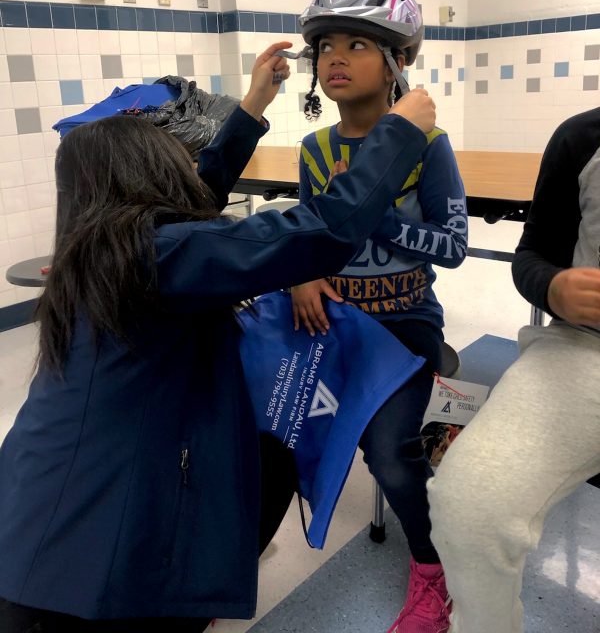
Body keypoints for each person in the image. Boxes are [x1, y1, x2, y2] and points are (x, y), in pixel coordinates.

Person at [0, 41, 437, 632]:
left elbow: (191, 203)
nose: (192, 170)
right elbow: (320, 232)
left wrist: (255, 106)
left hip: (27, 513)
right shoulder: (163, 255)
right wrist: (399, 135)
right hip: (79, 576)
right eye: (181, 159)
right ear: (150, 169)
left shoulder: (102, 246)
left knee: (266, 460)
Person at [290, 0, 468, 633]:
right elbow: (307, 238)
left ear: (400, 61)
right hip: (336, 326)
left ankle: (431, 572)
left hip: (405, 328)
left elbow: (451, 247)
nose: (336, 56)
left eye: (359, 44)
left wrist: (377, 218)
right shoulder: (315, 151)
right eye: (327, 44)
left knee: (391, 452)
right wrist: (300, 276)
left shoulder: (427, 148)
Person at [427, 106, 600, 633]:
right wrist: (553, 287)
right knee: (467, 503)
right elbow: (533, 254)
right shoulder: (582, 138)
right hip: (584, 349)